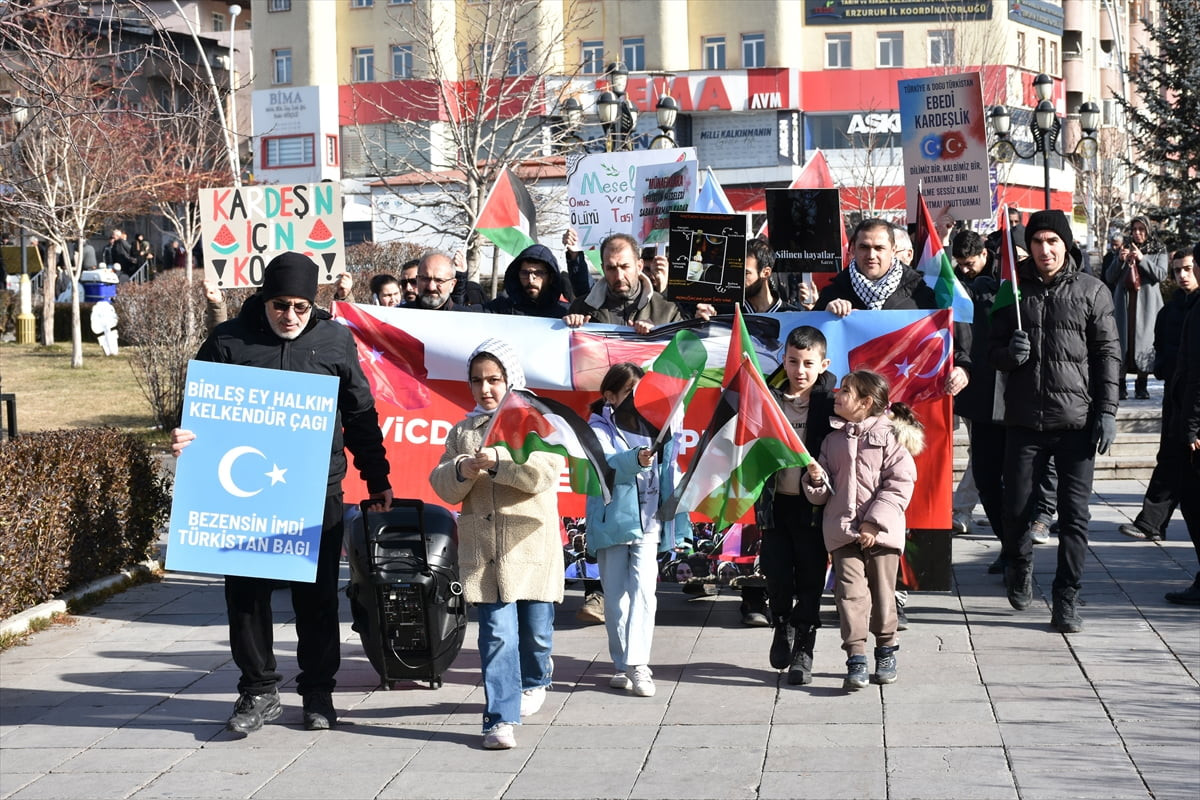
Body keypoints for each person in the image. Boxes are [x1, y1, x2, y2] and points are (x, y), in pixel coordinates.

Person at [170, 252, 393, 735]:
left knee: (315, 599)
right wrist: (183, 432)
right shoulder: (229, 339)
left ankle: (318, 691)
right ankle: (258, 690)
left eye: (299, 306)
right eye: (278, 305)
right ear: (263, 300)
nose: (289, 315)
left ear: (312, 303)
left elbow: (359, 415)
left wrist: (378, 480)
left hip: (316, 491)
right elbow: (194, 404)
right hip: (245, 496)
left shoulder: (334, 339)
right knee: (246, 597)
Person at [989, 210, 1121, 633]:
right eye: (1037, 242)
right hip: (1025, 420)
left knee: (1074, 515)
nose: (1045, 250)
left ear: (1066, 244)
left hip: (1076, 423)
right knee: (1015, 507)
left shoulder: (1092, 291)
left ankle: (1067, 596)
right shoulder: (1012, 291)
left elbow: (1107, 356)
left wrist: (1107, 412)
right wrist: (1010, 353)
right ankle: (1020, 563)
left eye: (1052, 241)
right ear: (1027, 246)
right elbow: (991, 349)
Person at [428, 338, 562, 750]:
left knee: (536, 633)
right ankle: (500, 719)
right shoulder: (461, 432)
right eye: (476, 381)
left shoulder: (535, 421)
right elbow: (442, 485)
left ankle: (537, 676)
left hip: (529, 546)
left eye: (494, 380)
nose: (485, 389)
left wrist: (501, 463)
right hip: (483, 550)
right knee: (497, 633)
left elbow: (544, 473)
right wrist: (462, 468)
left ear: (510, 380)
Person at [801, 369, 923, 689]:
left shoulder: (891, 437)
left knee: (883, 596)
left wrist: (873, 521)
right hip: (842, 532)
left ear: (866, 402)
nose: (837, 397)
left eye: (845, 392)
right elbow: (822, 492)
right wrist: (814, 480)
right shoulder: (831, 440)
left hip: (881, 533)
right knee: (849, 596)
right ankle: (855, 656)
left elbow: (899, 484)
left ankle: (885, 650)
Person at [585, 362, 689, 698]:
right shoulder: (598, 425)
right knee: (616, 599)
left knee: (645, 592)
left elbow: (677, 428)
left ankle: (639, 664)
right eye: (630, 391)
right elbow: (607, 464)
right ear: (610, 395)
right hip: (612, 522)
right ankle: (621, 664)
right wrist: (636, 459)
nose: (637, 398)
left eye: (641, 391)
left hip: (650, 520)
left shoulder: (657, 422)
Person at [756, 326, 836, 684]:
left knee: (810, 578)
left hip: (813, 509)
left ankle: (805, 645)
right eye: (792, 361)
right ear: (783, 361)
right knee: (776, 575)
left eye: (807, 363)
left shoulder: (831, 404)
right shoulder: (767, 398)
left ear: (822, 365)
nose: (799, 370)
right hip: (775, 506)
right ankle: (781, 624)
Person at [1120, 249, 1197, 542]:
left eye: (1188, 268)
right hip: (1175, 395)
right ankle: (1151, 522)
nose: (1183, 275)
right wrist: (1164, 367)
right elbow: (1160, 347)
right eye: (1177, 270)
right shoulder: (1169, 311)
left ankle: (1151, 522)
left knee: (1180, 461)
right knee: (1170, 457)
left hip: (1195, 397)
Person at [1162, 241, 1200, 605]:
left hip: (1194, 427)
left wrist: (1190, 426)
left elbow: (1197, 376)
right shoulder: (1187, 307)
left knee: (1192, 498)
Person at [563, 233, 682, 333]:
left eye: (625, 266)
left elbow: (683, 354)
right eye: (611, 268)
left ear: (639, 266)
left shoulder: (668, 309)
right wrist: (569, 327)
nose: (619, 277)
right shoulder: (581, 308)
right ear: (603, 268)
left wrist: (657, 334)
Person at [1106, 216, 1167, 400]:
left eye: (1141, 229)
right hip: (1125, 305)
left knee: (1144, 342)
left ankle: (1142, 386)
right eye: (1134, 229)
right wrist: (1119, 260)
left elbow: (1161, 275)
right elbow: (1109, 277)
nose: (1137, 233)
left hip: (1147, 305)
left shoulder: (1159, 249)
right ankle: (1121, 385)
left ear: (1148, 231)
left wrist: (1142, 259)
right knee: (1123, 341)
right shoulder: (1124, 248)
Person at [486, 244, 569, 317]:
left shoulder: (566, 312)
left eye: (538, 273)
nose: (530, 280)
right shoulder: (501, 308)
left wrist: (577, 321)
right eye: (525, 273)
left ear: (551, 278)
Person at [406, 250, 479, 312]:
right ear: (417, 280)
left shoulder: (467, 320)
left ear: (452, 284)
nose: (431, 287)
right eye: (425, 279)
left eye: (439, 280)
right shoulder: (400, 316)